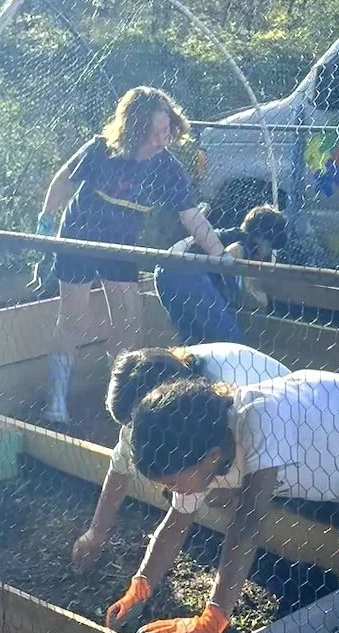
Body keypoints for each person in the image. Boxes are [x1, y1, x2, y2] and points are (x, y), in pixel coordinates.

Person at [105, 370, 339, 633]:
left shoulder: (260, 419)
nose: (168, 491)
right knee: (299, 565)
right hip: (305, 443)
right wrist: (140, 588)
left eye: (171, 483)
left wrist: (212, 619)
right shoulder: (202, 440)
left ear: (212, 457)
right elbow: (175, 524)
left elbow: (247, 523)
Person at [36, 88, 228, 424]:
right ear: (134, 129)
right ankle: (55, 406)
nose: (162, 138)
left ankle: (121, 401)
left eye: (167, 130)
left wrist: (221, 254)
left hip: (121, 246)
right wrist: (46, 221)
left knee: (131, 324)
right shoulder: (102, 150)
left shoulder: (167, 168)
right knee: (73, 320)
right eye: (155, 132)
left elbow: (192, 216)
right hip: (79, 239)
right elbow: (63, 181)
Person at [71, 341, 292, 572]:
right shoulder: (159, 390)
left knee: (215, 496)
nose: (132, 432)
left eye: (133, 424)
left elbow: (259, 447)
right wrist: (96, 532)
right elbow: (121, 462)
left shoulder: (225, 392)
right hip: (242, 448)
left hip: (290, 453)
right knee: (192, 487)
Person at [154, 204, 287, 347]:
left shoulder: (231, 237)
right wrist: (254, 298)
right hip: (186, 271)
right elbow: (229, 264)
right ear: (262, 238)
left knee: (193, 337)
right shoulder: (242, 244)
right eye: (269, 247)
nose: (267, 253)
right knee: (230, 340)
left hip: (165, 270)